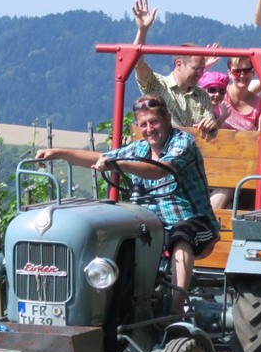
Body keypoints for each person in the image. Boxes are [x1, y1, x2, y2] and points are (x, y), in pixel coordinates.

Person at [35, 95, 218, 312]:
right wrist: (58, 153)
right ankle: (101, 307)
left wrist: (119, 165)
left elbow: (158, 170)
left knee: (181, 237)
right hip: (151, 223)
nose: (149, 129)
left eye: (154, 122)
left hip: (192, 220)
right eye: (143, 124)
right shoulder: (139, 149)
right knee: (110, 236)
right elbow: (100, 158)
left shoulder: (182, 143)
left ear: (167, 119)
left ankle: (175, 311)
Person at [130, 0, 217, 131]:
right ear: (179, 64)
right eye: (196, 69)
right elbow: (137, 63)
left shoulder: (203, 96)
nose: (200, 74)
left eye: (202, 69)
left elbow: (210, 125)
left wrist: (211, 124)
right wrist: (143, 30)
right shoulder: (157, 85)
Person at [217, 56, 260, 131]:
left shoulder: (260, 104)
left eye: (247, 71)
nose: (242, 75)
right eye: (237, 71)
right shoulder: (218, 94)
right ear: (229, 74)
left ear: (253, 72)